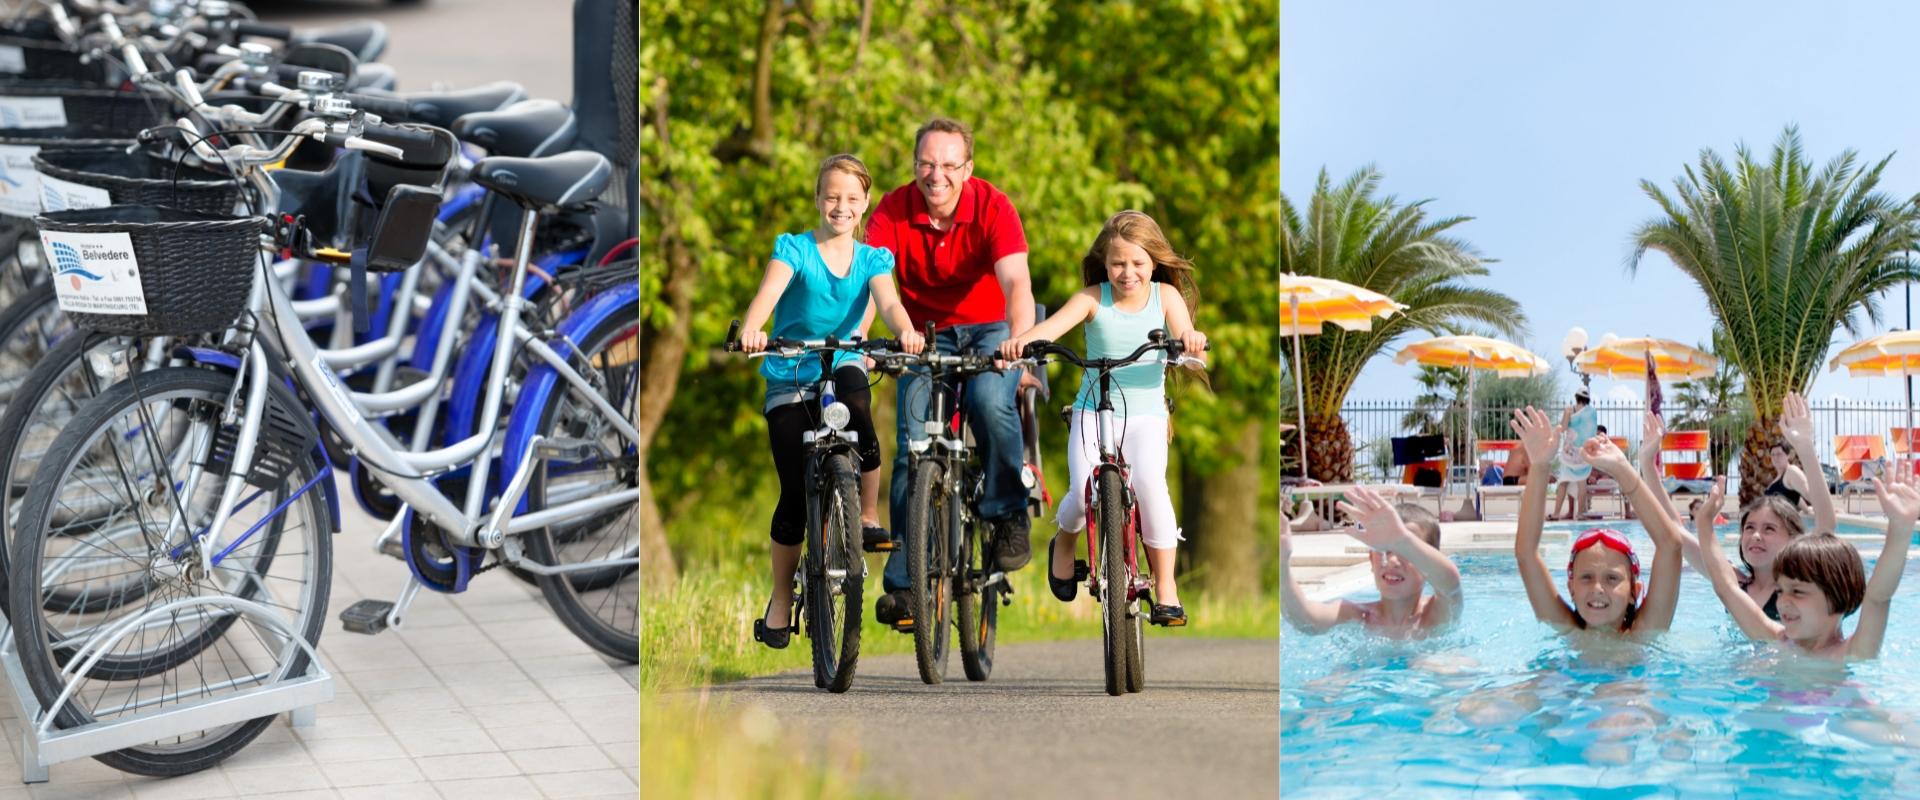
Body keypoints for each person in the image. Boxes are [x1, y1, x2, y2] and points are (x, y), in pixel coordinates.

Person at [736, 155, 926, 649]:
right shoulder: (794, 249)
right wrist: (755, 328)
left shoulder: (872, 258)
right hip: (791, 367)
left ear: (864, 204)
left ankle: (865, 514)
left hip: (842, 357)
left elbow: (887, 301)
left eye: (851, 198)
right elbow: (769, 293)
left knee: (860, 415)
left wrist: (904, 330)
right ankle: (781, 598)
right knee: (794, 494)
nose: (840, 206)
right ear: (819, 199)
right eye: (831, 196)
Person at [866, 118, 1036, 627]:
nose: (935, 175)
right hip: (921, 332)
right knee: (911, 449)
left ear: (967, 168)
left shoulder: (993, 206)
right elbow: (875, 283)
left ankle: (1007, 510)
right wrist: (868, 341)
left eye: (947, 165)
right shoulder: (893, 209)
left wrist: (1019, 342)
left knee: (988, 401)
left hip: (990, 329)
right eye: (925, 163)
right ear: (914, 164)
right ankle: (904, 586)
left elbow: (1017, 283)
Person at [1000, 211, 1206, 625]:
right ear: (1105, 263)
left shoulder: (1166, 297)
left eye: (1138, 263)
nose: (1127, 273)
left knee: (1150, 486)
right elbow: (1051, 330)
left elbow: (1186, 334)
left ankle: (1165, 585)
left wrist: (1191, 341)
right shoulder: (1093, 298)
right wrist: (1019, 344)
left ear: (1154, 262)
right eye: (1117, 264)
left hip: (1146, 415)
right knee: (1080, 490)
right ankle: (1064, 545)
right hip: (1093, 412)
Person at [1693, 467, 1917, 660]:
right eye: (1780, 591)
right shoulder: (1778, 639)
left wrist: (1900, 530)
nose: (1783, 601)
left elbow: (1878, 598)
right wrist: (1704, 523)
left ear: (1837, 597)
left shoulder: (1850, 652)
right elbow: (1726, 588)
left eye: (1798, 592)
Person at [1510, 407, 1682, 640]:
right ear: (1570, 587)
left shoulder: (1644, 632)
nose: (1597, 588)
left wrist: (1622, 470)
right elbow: (1525, 554)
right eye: (1586, 577)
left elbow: (1670, 545)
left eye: (1612, 578)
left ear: (1635, 591)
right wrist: (1539, 466)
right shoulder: (1568, 630)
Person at [1674, 393, 1837, 622]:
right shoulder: (1734, 584)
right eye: (1749, 528)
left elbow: (1826, 525)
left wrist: (1805, 447)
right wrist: (1646, 469)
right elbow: (1674, 534)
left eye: (1769, 529)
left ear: (1792, 540)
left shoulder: (1798, 588)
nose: (1756, 535)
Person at [1280, 486, 1463, 638]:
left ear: (1427, 562)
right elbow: (1305, 621)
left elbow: (1451, 583)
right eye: (1386, 549)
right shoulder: (1355, 615)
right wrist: (1280, 567)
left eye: (1406, 552)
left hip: (1426, 674)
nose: (1392, 561)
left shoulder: (1436, 614)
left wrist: (1403, 539)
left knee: (1445, 669)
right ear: (1371, 560)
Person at [1552, 390, 1599, 520]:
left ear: (1576, 397)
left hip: (1569, 451)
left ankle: (1556, 513)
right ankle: (1580, 513)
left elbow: (1564, 427)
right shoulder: (1592, 412)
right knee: (1581, 482)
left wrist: (1567, 415)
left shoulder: (1570, 409)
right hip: (1583, 451)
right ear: (1588, 399)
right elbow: (1592, 431)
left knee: (1563, 482)